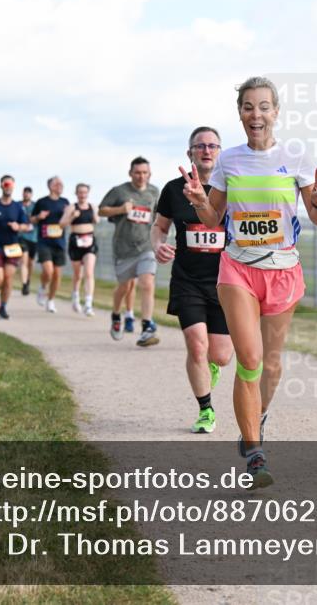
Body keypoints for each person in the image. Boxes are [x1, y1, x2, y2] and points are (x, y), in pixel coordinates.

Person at [183, 76, 317, 487]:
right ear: (240, 113)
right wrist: (199, 203)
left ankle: (256, 419)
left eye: (264, 106)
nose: (256, 114)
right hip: (238, 268)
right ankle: (254, 453)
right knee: (248, 360)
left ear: (276, 112)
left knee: (271, 364)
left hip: (283, 269)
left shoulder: (296, 158)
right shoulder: (229, 161)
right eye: (248, 106)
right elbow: (214, 219)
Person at [154, 126, 234, 434]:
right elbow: (158, 227)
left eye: (213, 145)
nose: (206, 150)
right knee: (196, 345)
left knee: (222, 355)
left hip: (225, 281)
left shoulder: (231, 189)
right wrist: (157, 245)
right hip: (187, 279)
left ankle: (210, 365)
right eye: (200, 146)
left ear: (219, 152)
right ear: (190, 153)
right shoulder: (174, 189)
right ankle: (206, 410)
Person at [99, 157, 161, 347]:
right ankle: (117, 315)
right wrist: (120, 209)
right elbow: (101, 210)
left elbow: (159, 216)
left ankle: (146, 326)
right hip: (124, 248)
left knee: (147, 282)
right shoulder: (120, 191)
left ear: (149, 174)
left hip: (146, 246)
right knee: (125, 287)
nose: (141, 176)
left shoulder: (154, 192)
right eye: (137, 172)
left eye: (145, 173)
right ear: (130, 173)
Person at [0, 175, 32, 319]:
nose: (8, 186)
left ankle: (3, 307)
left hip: (12, 247)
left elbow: (28, 226)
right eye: (5, 184)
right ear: (1, 186)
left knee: (8, 278)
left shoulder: (17, 207)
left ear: (13, 186)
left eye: (10, 184)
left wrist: (19, 226)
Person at [31, 176, 74, 313]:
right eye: (57, 184)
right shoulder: (41, 202)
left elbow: (67, 222)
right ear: (50, 186)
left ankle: (50, 300)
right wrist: (39, 217)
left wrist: (70, 215)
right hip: (44, 242)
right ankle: (43, 288)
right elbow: (31, 219)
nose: (60, 186)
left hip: (59, 243)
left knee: (57, 275)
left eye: (62, 184)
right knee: (48, 271)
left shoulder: (65, 202)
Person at [68, 183, 99, 316]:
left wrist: (95, 216)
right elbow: (62, 224)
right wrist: (72, 217)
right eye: (80, 192)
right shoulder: (71, 207)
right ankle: (75, 297)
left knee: (89, 272)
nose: (82, 195)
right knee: (77, 275)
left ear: (88, 193)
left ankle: (88, 304)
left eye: (85, 192)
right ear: (76, 193)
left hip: (89, 241)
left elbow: (97, 220)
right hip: (75, 241)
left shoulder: (92, 206)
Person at [18, 186, 37, 296]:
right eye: (25, 193)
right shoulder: (18, 205)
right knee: (23, 261)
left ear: (31, 195)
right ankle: (24, 284)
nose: (26, 195)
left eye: (28, 193)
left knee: (31, 262)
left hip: (33, 237)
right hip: (21, 237)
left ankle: (28, 280)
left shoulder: (35, 206)